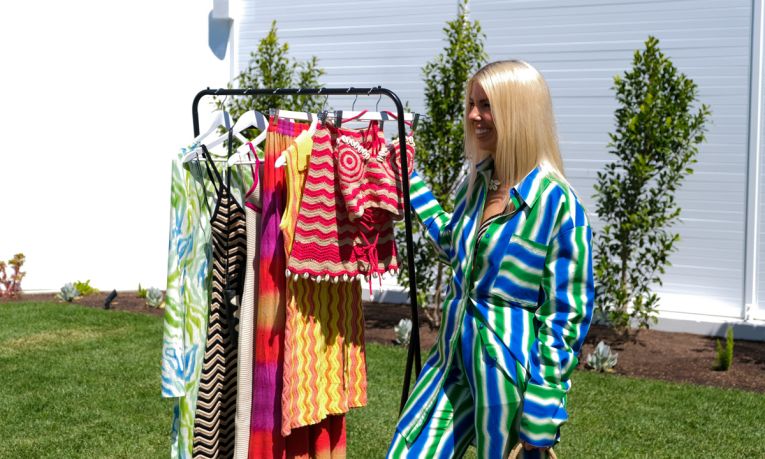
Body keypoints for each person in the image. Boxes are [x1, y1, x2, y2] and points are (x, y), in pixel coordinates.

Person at [387, 60, 595, 458]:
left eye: (486, 105)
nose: (472, 116)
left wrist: (542, 411)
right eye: (471, 103)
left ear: (519, 112)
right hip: (450, 359)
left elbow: (566, 315)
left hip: (506, 371)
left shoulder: (557, 204)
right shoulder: (479, 183)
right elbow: (456, 246)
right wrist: (411, 181)